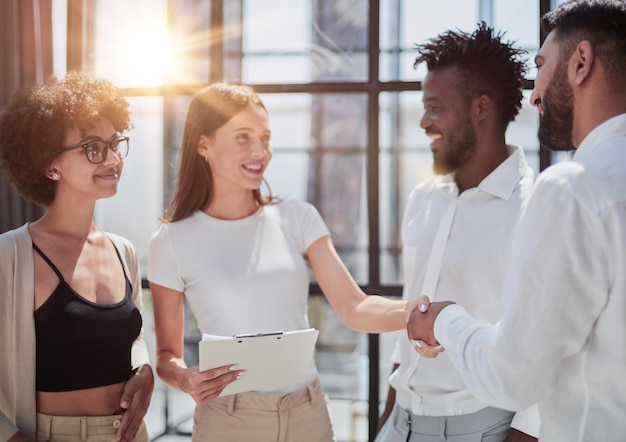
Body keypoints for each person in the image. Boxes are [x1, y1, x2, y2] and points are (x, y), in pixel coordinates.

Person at [147, 81, 419, 442]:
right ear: (203, 144)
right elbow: (167, 355)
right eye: (243, 137)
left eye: (265, 137)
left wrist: (418, 314)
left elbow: (355, 306)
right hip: (230, 419)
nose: (261, 151)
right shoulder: (172, 241)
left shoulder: (297, 217)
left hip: (307, 411)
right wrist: (186, 378)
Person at [406, 1, 626, 440]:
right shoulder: (424, 199)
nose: (533, 94)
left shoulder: (570, 189)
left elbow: (515, 376)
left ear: (581, 62)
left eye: (541, 65)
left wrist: (445, 320)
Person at [375, 23, 540, 442]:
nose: (423, 121)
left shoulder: (536, 207)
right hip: (400, 424)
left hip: (482, 428)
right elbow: (411, 315)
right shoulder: (423, 197)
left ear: (480, 108)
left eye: (434, 106)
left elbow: (546, 345)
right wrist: (388, 418)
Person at [0, 72, 154, 442]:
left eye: (114, 143)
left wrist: (144, 369)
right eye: (92, 147)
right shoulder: (10, 256)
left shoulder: (123, 251)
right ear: (51, 165)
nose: (113, 158)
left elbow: (131, 338)